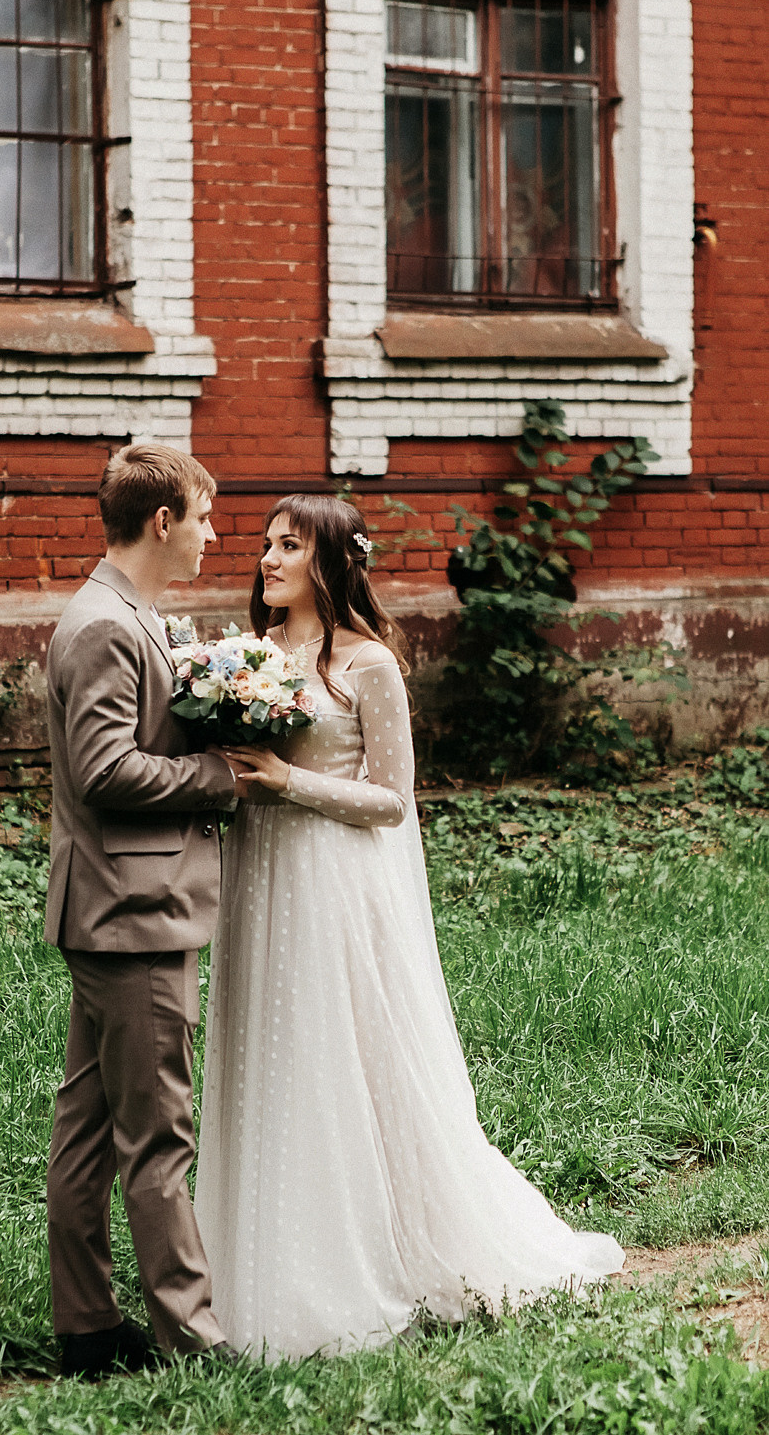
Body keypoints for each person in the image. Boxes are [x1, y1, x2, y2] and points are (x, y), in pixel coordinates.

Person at [194, 493, 624, 1361]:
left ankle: (375, 1253)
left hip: (331, 885)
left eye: (288, 546)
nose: (267, 560)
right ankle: (258, 1252)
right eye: (265, 545)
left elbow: (392, 800)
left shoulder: (369, 666)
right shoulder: (246, 658)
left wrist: (289, 782)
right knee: (266, 1054)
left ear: (330, 563)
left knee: (336, 1055)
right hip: (257, 878)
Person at [44, 444, 240, 1379]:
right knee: (158, 1131)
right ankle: (191, 1341)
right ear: (162, 521)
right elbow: (104, 769)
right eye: (203, 517)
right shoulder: (103, 628)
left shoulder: (131, 615)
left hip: (119, 904)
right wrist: (218, 776)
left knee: (88, 1126)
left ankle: (87, 1326)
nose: (212, 535)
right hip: (134, 908)